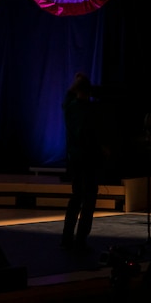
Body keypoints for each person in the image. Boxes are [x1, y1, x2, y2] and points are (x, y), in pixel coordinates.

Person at [61, 72, 105, 251]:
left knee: (76, 197)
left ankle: (66, 237)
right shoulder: (92, 110)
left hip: (75, 159)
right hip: (90, 159)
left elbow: (69, 94)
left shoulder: (69, 107)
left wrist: (76, 83)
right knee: (89, 200)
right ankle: (80, 239)